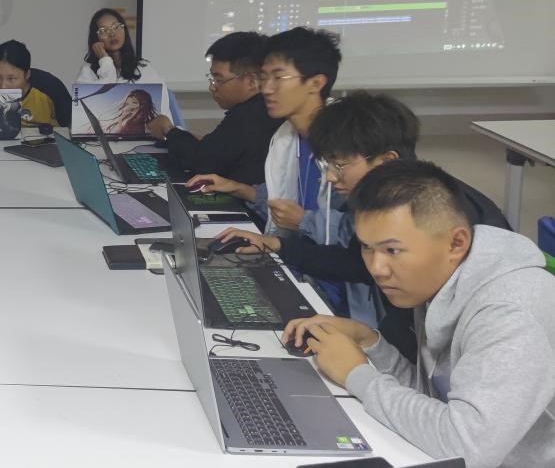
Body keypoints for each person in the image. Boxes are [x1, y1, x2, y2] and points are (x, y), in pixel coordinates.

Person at [283, 161, 555, 468]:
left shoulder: (512, 312)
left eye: (392, 250)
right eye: (367, 248)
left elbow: (466, 447)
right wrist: (370, 343)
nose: (377, 268)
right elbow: (435, 401)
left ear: (456, 243)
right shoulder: (441, 279)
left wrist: (358, 375)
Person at [215, 92, 507, 350]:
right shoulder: (385, 200)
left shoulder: (444, 216)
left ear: (386, 160)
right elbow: (357, 263)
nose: (330, 177)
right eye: (327, 164)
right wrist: (278, 245)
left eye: (339, 164)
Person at [188, 27, 347, 310]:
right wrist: (241, 189)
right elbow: (284, 203)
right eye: (264, 78)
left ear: (315, 83)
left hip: (335, 295)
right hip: (294, 269)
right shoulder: (288, 138)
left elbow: (364, 238)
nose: (267, 89)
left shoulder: (347, 146)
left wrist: (303, 221)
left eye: (278, 77)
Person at [146, 31, 282, 185]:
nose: (212, 87)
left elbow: (201, 161)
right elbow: (216, 147)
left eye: (219, 79)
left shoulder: (249, 115)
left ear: (252, 81)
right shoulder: (258, 107)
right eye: (212, 79)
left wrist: (168, 129)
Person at [0, 39, 71, 128]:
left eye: (11, 78)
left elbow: (72, 125)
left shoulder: (51, 88)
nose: (3, 87)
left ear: (27, 75)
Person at [78, 8, 162, 84]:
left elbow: (161, 95)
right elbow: (104, 92)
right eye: (103, 30)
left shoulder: (144, 67)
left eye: (116, 27)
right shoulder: (87, 71)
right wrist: (105, 61)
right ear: (96, 38)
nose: (112, 34)